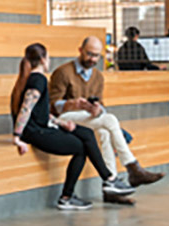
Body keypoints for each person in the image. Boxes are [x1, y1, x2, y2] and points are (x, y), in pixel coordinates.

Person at [11, 43, 128, 209]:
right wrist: (17, 137)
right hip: (37, 133)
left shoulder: (31, 78)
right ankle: (70, 195)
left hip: (43, 127)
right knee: (81, 148)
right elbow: (26, 108)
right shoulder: (38, 79)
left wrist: (62, 123)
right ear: (44, 59)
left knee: (86, 133)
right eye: (48, 57)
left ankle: (109, 180)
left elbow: (40, 113)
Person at [50, 36, 164, 189]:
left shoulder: (98, 76)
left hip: (86, 118)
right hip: (64, 118)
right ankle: (133, 167)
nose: (92, 59)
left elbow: (101, 104)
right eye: (89, 54)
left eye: (96, 56)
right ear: (80, 50)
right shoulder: (63, 72)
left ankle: (112, 186)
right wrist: (72, 103)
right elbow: (52, 105)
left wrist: (98, 109)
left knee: (104, 133)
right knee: (110, 120)